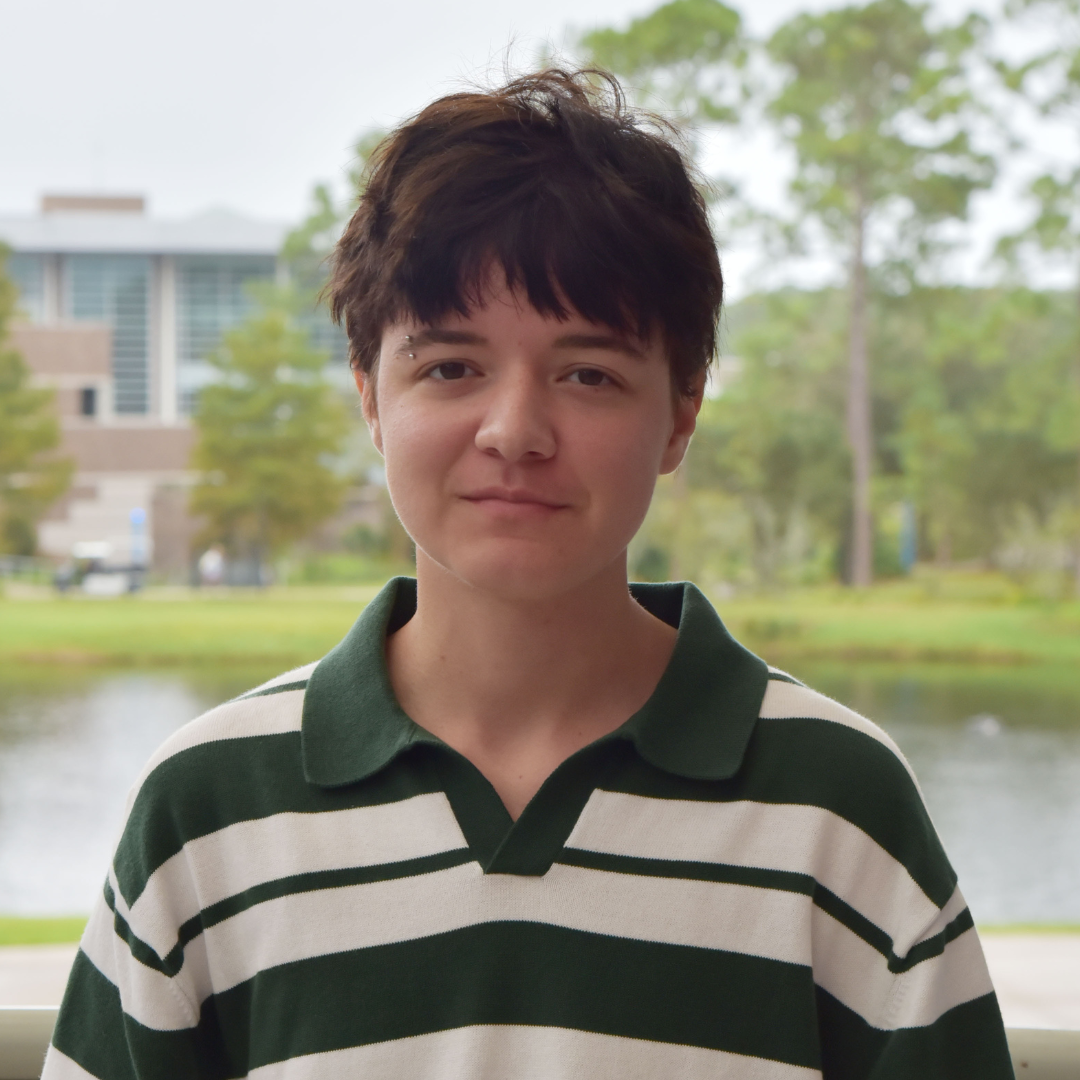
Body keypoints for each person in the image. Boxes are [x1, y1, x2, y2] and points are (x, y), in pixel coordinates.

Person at [43, 69, 1015, 1080]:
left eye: (588, 374)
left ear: (680, 414)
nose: (515, 432)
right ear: (371, 397)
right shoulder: (207, 808)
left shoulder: (837, 805)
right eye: (450, 367)